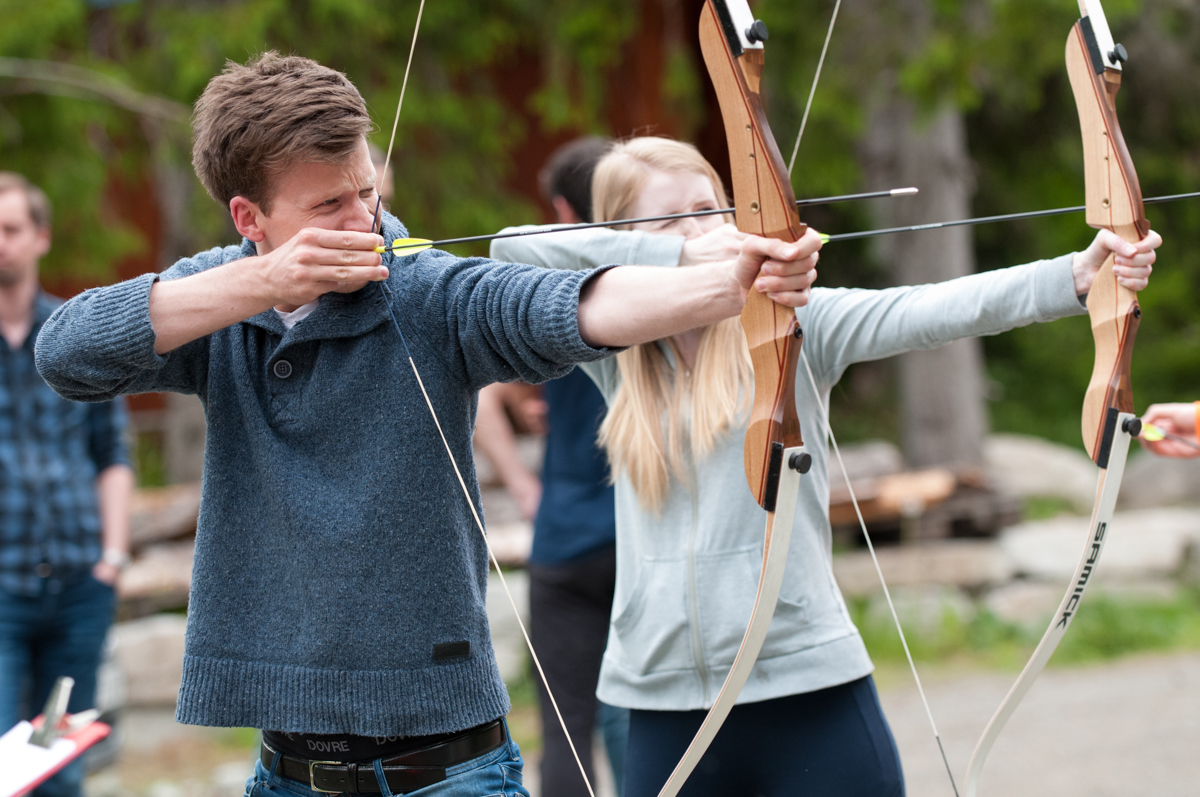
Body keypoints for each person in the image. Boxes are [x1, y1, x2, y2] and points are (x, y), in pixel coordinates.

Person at [32, 55, 819, 797]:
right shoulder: (224, 301)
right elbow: (67, 350)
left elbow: (568, 307)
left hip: (451, 766)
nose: (364, 219)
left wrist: (728, 284)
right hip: (289, 767)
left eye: (366, 190)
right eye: (329, 206)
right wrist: (264, 281)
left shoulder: (426, 288)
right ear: (252, 217)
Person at [490, 136, 1160, 797]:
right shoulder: (615, 356)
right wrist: (682, 256)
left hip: (808, 687)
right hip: (663, 702)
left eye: (709, 210)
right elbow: (509, 252)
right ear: (623, 236)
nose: (700, 229)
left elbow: (930, 308)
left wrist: (1073, 276)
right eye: (670, 218)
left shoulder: (793, 325)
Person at [476, 136, 635, 797]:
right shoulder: (659, 285)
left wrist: (521, 481)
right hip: (638, 529)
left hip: (565, 531)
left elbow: (483, 392)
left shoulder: (549, 288)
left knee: (565, 726)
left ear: (566, 210)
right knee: (636, 713)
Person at [0, 172, 134, 797]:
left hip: (81, 580)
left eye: (10, 229)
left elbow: (113, 452)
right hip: (2, 585)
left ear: (40, 238)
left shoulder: (75, 336)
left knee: (60, 764)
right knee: (5, 765)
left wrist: (112, 556)